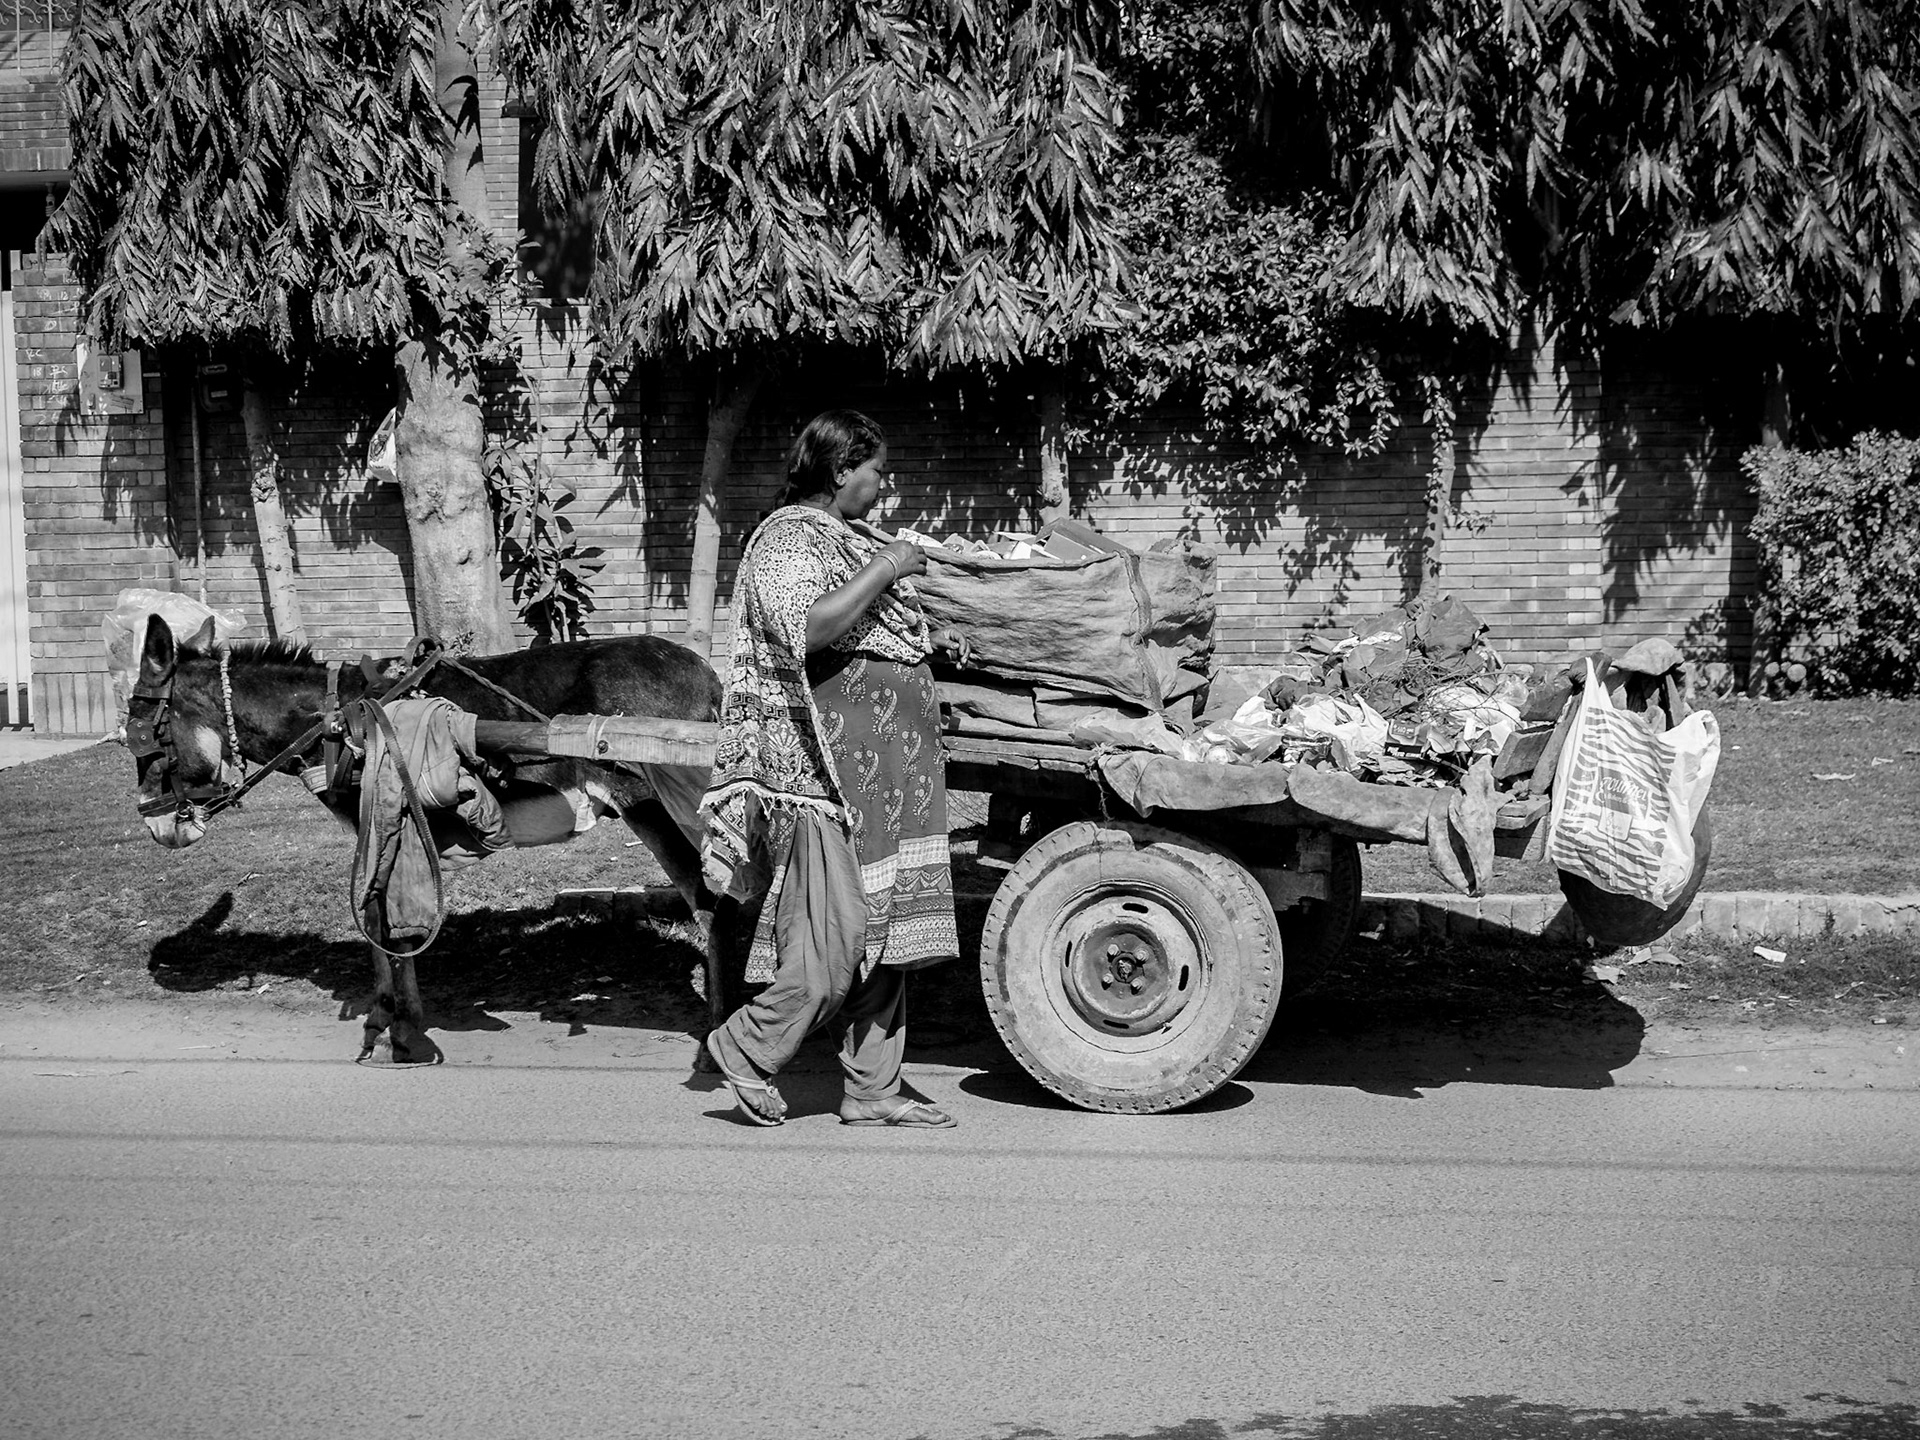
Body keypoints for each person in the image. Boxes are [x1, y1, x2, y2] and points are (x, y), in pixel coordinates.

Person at [698, 409, 971, 1128]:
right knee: (836, 938)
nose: (884, 485)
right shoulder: (787, 538)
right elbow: (809, 627)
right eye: (877, 470)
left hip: (886, 782)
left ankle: (872, 1089)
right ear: (842, 467)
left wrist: (930, 638)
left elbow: (864, 628)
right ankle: (748, 1045)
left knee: (887, 939)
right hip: (826, 778)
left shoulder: (844, 539)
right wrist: (889, 568)